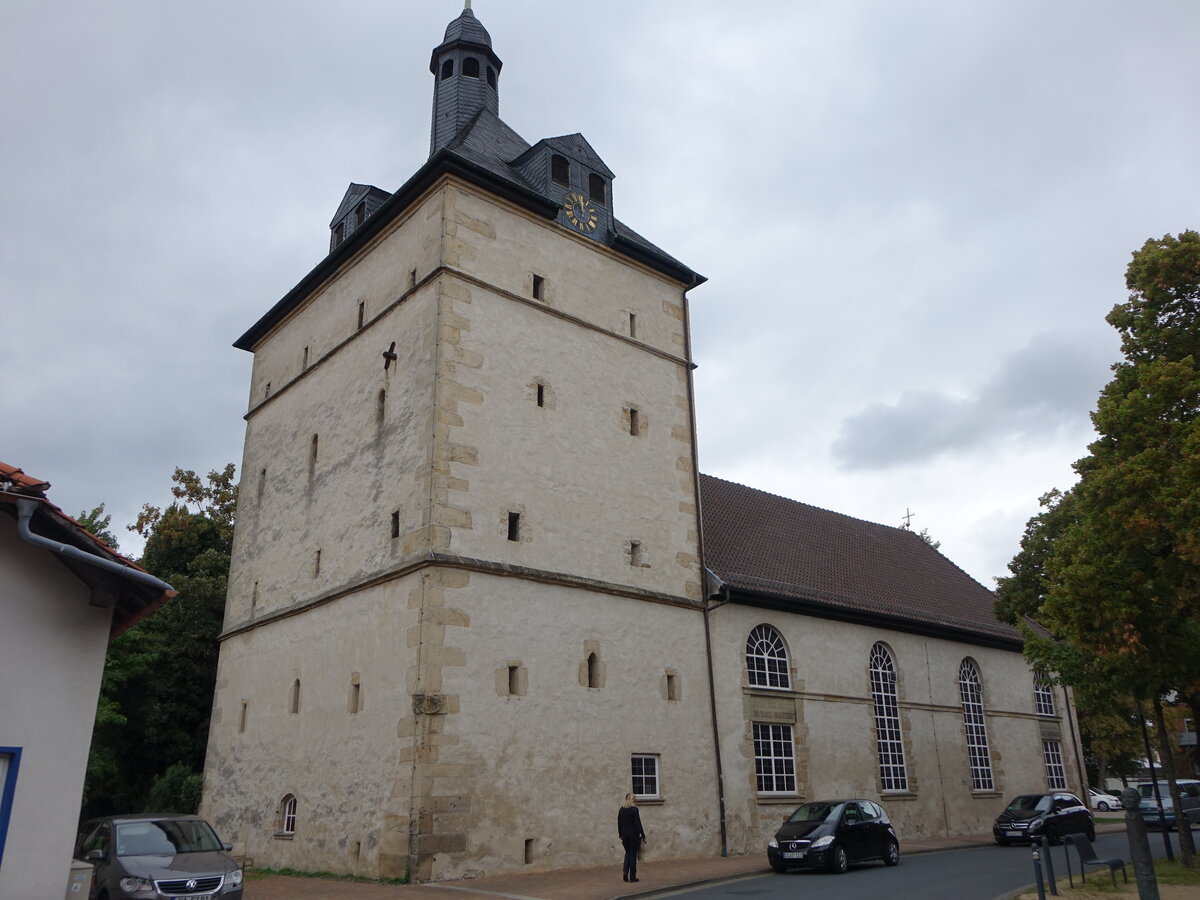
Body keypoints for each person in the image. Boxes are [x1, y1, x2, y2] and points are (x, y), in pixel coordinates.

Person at [617, 791, 646, 882]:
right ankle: (632, 877)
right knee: (633, 855)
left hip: (625, 836)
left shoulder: (621, 810)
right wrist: (643, 835)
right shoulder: (634, 810)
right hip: (633, 836)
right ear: (633, 800)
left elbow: (619, 823)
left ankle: (625, 872)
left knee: (628, 854)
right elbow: (638, 824)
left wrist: (620, 834)